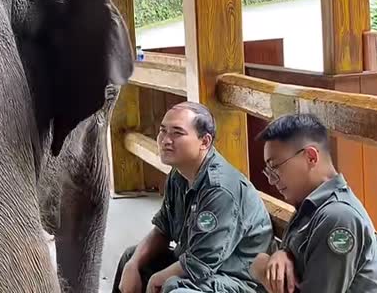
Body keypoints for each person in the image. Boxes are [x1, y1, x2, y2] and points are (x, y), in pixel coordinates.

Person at [112, 102, 273, 293]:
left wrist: (157, 278)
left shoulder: (220, 189)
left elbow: (200, 264)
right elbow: (163, 230)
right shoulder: (179, 173)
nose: (165, 140)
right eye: (163, 131)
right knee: (132, 258)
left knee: (172, 287)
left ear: (204, 142)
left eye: (177, 133)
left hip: (236, 279)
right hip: (203, 270)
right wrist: (133, 265)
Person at [249, 113, 377, 293]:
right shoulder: (311, 207)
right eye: (269, 171)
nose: (272, 181)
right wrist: (283, 253)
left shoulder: (339, 217)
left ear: (311, 157)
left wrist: (261, 267)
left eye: (275, 167)